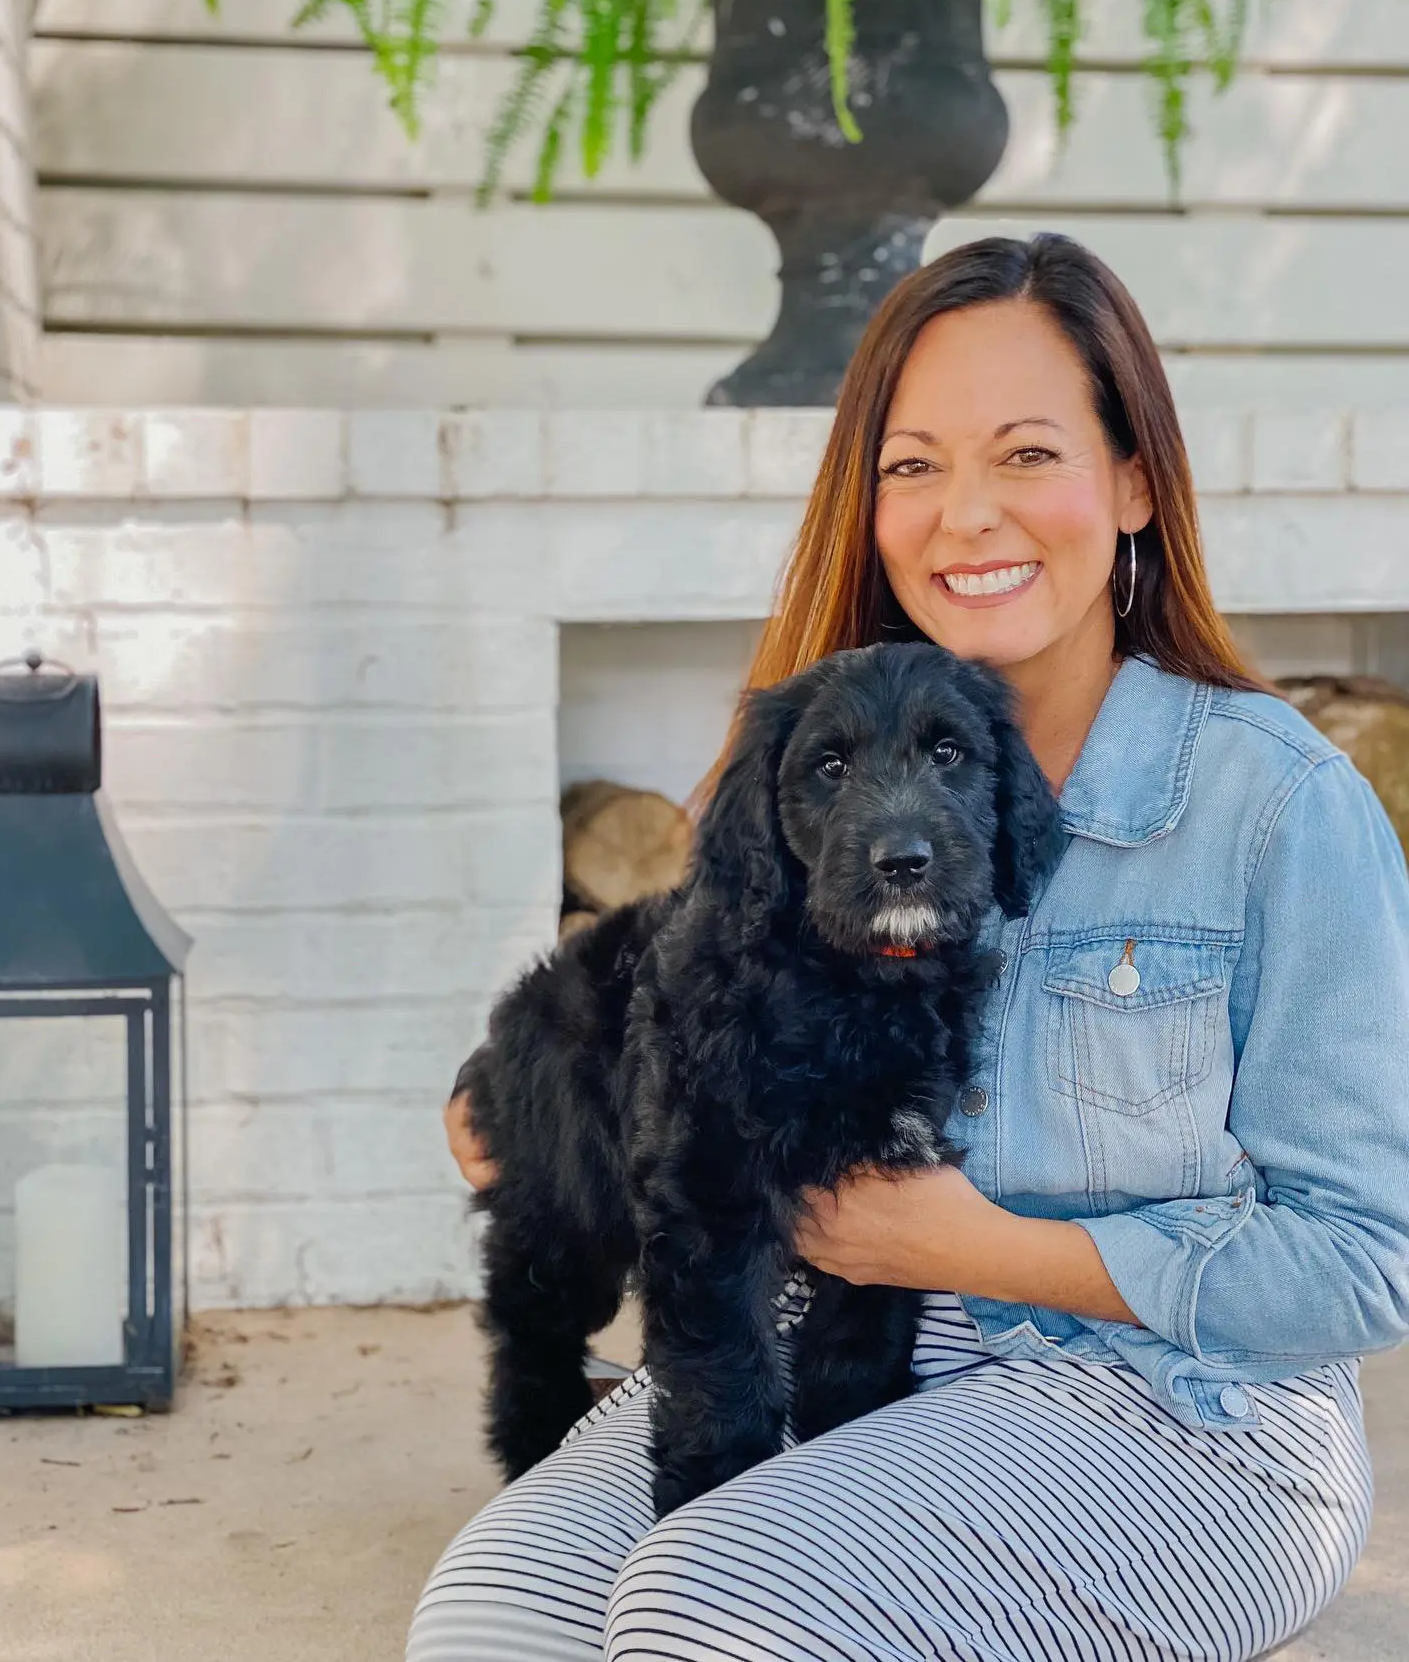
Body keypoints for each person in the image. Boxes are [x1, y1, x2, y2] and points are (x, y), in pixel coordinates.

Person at [411, 234, 1409, 1662]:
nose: (967, 517)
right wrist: (529, 1104)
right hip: (833, 1361)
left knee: (707, 1613)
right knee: (492, 1623)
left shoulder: (1277, 807)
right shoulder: (811, 759)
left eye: (1024, 454)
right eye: (913, 466)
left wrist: (987, 1249)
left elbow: (1364, 1267)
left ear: (1133, 480)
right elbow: (675, 1023)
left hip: (1178, 1420)